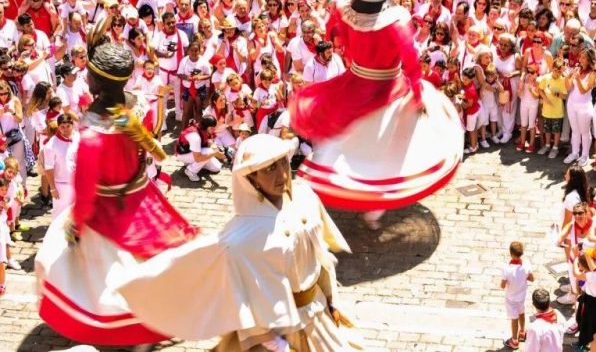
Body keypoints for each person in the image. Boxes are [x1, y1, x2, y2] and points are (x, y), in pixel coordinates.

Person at [115, 134, 362, 351]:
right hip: (277, 335)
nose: (282, 174)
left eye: (283, 162)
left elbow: (321, 254)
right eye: (269, 169)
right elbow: (240, 296)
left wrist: (331, 299)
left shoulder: (306, 197)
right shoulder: (241, 239)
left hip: (318, 315)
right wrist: (273, 343)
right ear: (251, 178)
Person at [34, 20, 198, 345]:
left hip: (108, 209)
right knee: (150, 262)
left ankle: (124, 327)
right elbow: (148, 143)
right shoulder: (139, 107)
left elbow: (85, 193)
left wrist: (75, 227)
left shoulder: (92, 136)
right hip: (143, 198)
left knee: (74, 269)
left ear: (95, 82)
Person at [289, 0, 462, 212]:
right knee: (391, 149)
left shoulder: (344, 7)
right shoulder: (397, 18)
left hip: (354, 82)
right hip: (389, 87)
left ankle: (342, 187)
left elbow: (334, 34)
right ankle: (378, 198)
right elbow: (411, 63)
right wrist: (417, 96)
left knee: (347, 142)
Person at [42, 114, 78, 217]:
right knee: (60, 216)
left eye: (68, 126)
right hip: (62, 185)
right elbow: (48, 168)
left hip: (78, 183)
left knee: (76, 215)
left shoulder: (77, 137)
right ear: (58, 127)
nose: (66, 130)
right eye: (62, 127)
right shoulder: (51, 145)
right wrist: (53, 188)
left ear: (72, 125)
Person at [501, 241, 535, 350]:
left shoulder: (506, 268)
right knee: (521, 312)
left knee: (514, 318)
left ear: (511, 253)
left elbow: (502, 285)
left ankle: (514, 340)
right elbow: (532, 278)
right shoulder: (526, 265)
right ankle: (522, 332)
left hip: (511, 298)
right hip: (522, 296)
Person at [176, 115, 227, 182]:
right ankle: (190, 170)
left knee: (216, 168)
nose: (214, 129)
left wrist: (217, 150)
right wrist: (215, 153)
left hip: (194, 152)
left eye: (214, 127)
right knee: (209, 152)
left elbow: (209, 141)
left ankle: (195, 164)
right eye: (212, 128)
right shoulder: (195, 137)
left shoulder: (204, 128)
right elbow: (198, 158)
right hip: (183, 155)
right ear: (206, 127)